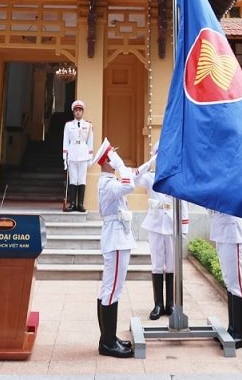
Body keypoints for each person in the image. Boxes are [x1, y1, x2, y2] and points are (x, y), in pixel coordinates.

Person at [92, 137, 149, 359]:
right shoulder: (108, 184)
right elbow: (129, 184)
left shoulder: (110, 181)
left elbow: (132, 176)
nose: (117, 157)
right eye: (113, 155)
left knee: (110, 289)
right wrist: (121, 164)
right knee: (112, 289)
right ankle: (108, 343)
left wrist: (148, 164)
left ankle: (108, 338)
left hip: (117, 237)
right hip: (115, 240)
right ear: (108, 161)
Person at [137, 141, 189, 320]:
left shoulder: (176, 176)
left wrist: (184, 227)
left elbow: (183, 202)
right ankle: (158, 304)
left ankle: (170, 304)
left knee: (172, 264)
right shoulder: (151, 177)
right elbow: (134, 179)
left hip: (172, 225)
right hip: (155, 224)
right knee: (157, 264)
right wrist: (149, 163)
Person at [209, 209, 242, 349]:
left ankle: (240, 334)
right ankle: (232, 329)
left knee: (236, 284)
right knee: (229, 282)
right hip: (221, 232)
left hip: (233, 234)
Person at [62, 99, 94, 212]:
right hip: (72, 154)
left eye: (80, 110)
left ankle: (80, 204)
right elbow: (65, 141)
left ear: (83, 112)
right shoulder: (68, 125)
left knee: (81, 180)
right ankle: (72, 204)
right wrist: (64, 157)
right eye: (76, 110)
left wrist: (90, 157)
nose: (78, 112)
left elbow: (90, 142)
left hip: (83, 154)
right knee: (73, 180)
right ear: (73, 112)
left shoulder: (88, 125)